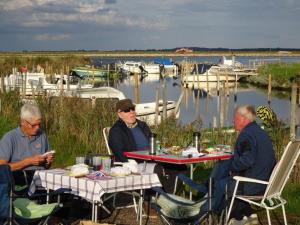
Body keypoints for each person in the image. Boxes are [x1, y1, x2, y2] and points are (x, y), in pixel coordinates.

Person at [200, 105, 276, 224]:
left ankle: (213, 213)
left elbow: (246, 161)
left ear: (243, 119)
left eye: (235, 118)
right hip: (267, 182)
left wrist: (230, 167)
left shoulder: (246, 135)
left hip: (254, 185)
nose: (233, 121)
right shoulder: (260, 132)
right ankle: (248, 213)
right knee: (223, 168)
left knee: (220, 182)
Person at [109, 98, 186, 193]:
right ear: (119, 114)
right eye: (127, 110)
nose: (131, 112)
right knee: (158, 170)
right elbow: (117, 150)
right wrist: (128, 162)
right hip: (134, 163)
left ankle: (169, 195)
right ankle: (159, 197)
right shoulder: (117, 130)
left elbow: (153, 143)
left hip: (153, 158)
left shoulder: (142, 125)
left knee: (180, 166)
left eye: (133, 109)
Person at [0, 103, 54, 185]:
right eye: (33, 125)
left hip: (42, 180)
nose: (37, 128)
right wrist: (28, 162)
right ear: (22, 122)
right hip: (20, 182)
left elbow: (46, 166)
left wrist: (48, 162)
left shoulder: (42, 135)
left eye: (39, 124)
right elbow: (2, 168)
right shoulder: (9, 138)